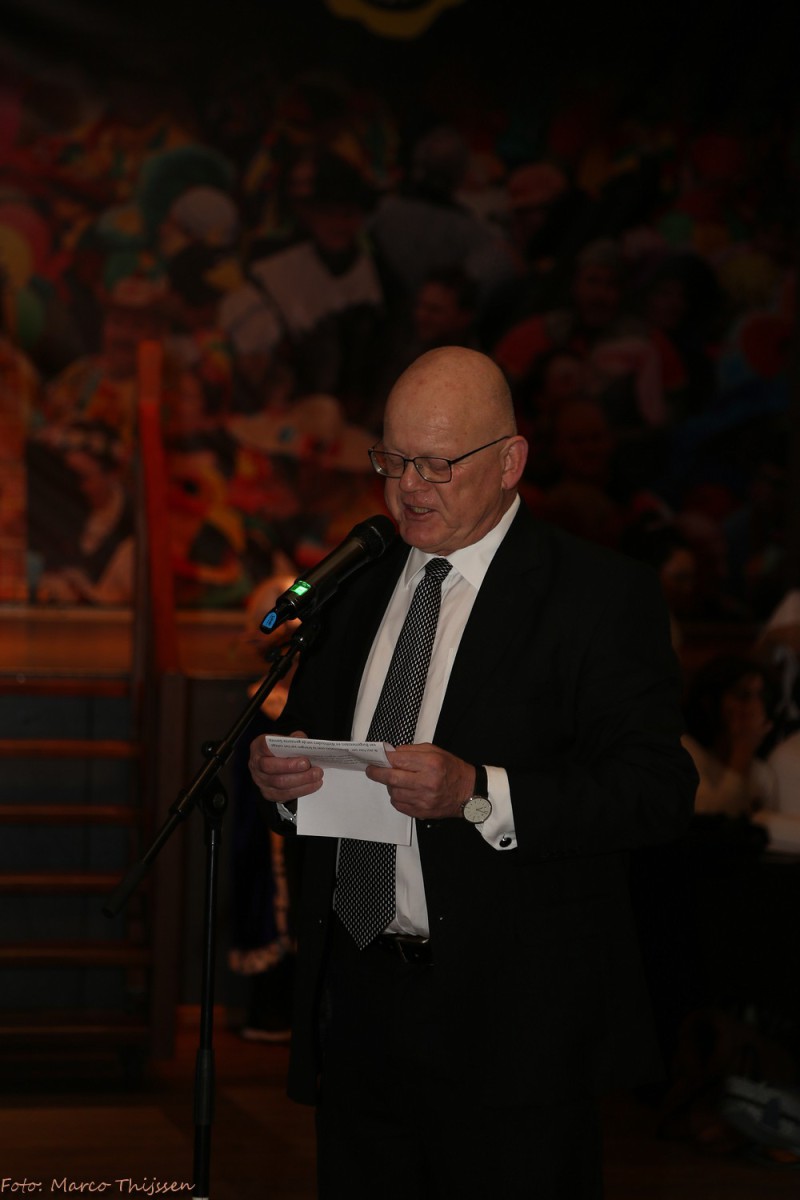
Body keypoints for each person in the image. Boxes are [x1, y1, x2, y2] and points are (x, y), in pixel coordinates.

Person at [248, 346, 697, 1199]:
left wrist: (480, 793)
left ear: (510, 461)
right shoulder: (355, 582)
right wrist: (279, 786)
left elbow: (657, 792)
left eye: (438, 464)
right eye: (392, 460)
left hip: (516, 1025)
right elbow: (307, 756)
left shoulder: (598, 594)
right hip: (359, 1004)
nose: (408, 488)